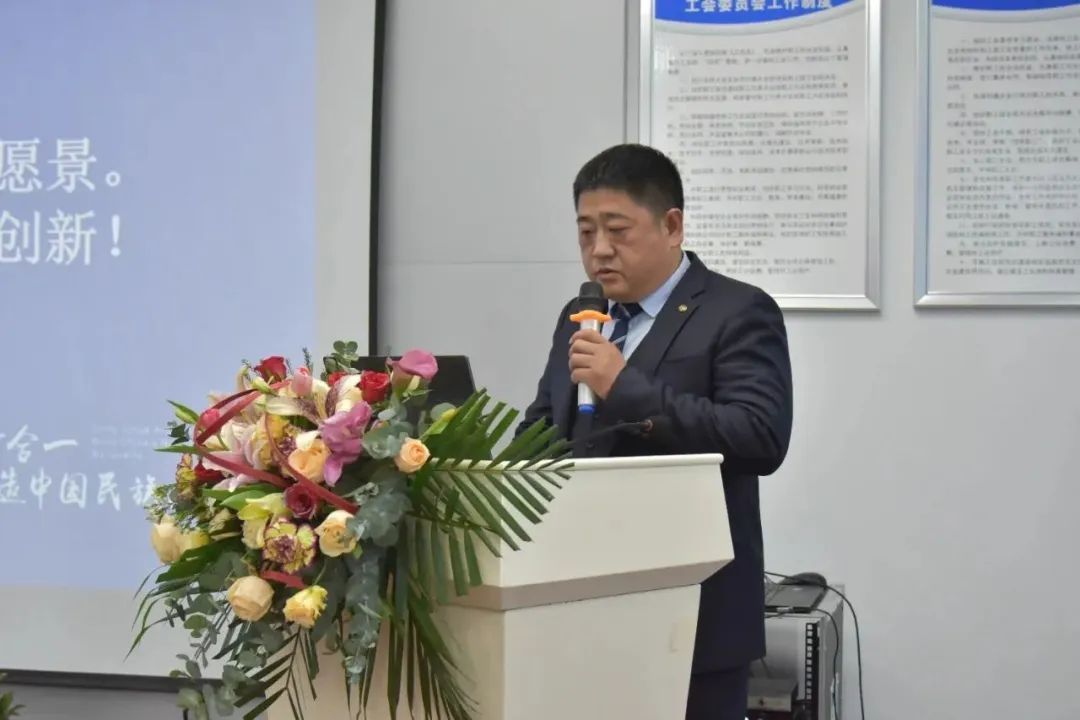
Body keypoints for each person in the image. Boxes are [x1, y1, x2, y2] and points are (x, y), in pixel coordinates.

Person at [518, 143, 794, 720]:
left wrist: (624, 385)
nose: (599, 250)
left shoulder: (738, 310)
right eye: (585, 232)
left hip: (693, 618)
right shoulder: (580, 314)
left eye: (617, 230)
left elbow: (759, 436)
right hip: (575, 603)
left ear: (672, 226)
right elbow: (543, 428)